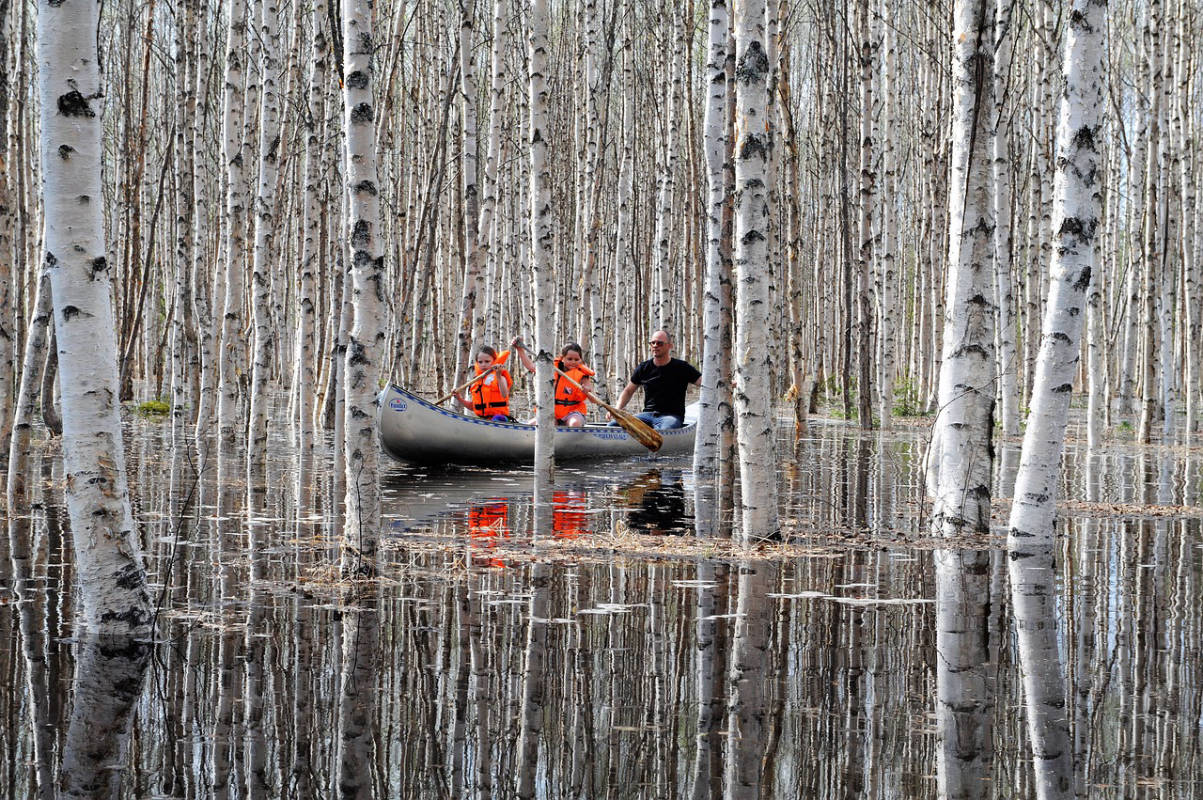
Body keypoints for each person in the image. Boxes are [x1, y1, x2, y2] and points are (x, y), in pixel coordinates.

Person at [610, 330, 701, 430]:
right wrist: (616, 410)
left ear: (669, 346)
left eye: (659, 343)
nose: (655, 345)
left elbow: (704, 383)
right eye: (652, 343)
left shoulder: (682, 367)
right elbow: (628, 391)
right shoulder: (644, 368)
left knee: (663, 431)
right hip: (647, 415)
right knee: (612, 426)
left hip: (671, 417)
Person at [511, 339, 596, 427]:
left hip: (573, 412)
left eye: (576, 359)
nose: (573, 362)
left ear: (580, 360)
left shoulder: (582, 375)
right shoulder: (552, 367)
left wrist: (587, 392)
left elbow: (593, 400)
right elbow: (531, 366)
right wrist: (519, 350)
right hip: (551, 411)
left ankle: (571, 436)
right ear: (562, 358)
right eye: (569, 359)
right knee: (533, 424)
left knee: (574, 423)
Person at [453, 345, 513, 422]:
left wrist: (498, 376)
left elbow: (504, 395)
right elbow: (473, 407)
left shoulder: (500, 377)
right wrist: (459, 398)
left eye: (487, 361)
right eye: (480, 362)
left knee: (497, 419)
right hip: (483, 419)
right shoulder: (476, 381)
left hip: (500, 418)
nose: (483, 364)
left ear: (494, 361)